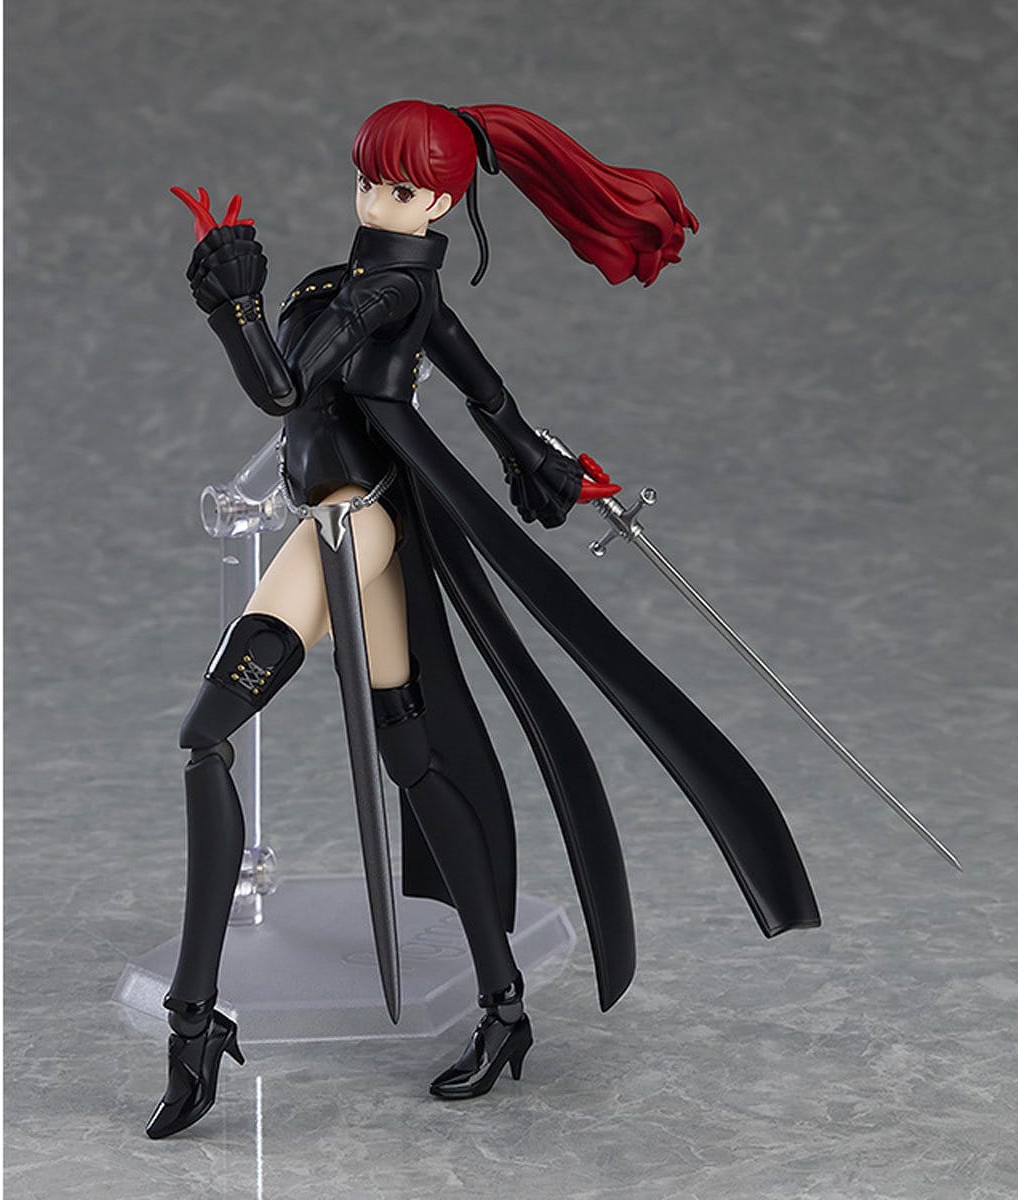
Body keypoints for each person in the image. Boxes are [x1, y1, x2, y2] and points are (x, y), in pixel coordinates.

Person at [147, 100, 820, 1140]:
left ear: (442, 202)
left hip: (352, 530)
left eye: (400, 188)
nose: (376, 200)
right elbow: (489, 401)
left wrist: (232, 305)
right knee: (414, 758)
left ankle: (195, 1020)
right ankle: (504, 1009)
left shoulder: (385, 291)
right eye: (368, 179)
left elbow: (282, 394)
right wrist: (542, 464)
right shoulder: (358, 284)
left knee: (208, 736)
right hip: (353, 524)